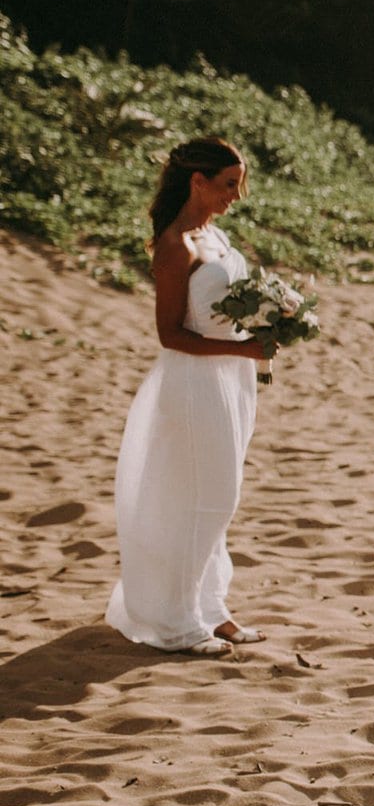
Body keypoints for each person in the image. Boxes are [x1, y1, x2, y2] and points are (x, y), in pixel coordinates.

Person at [105, 138, 273, 657]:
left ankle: (210, 608)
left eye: (238, 184)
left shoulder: (215, 235)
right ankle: (177, 621)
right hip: (195, 383)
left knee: (220, 499)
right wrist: (244, 350)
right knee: (208, 498)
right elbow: (169, 334)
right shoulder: (177, 245)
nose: (236, 196)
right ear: (197, 181)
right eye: (228, 184)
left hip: (231, 380)